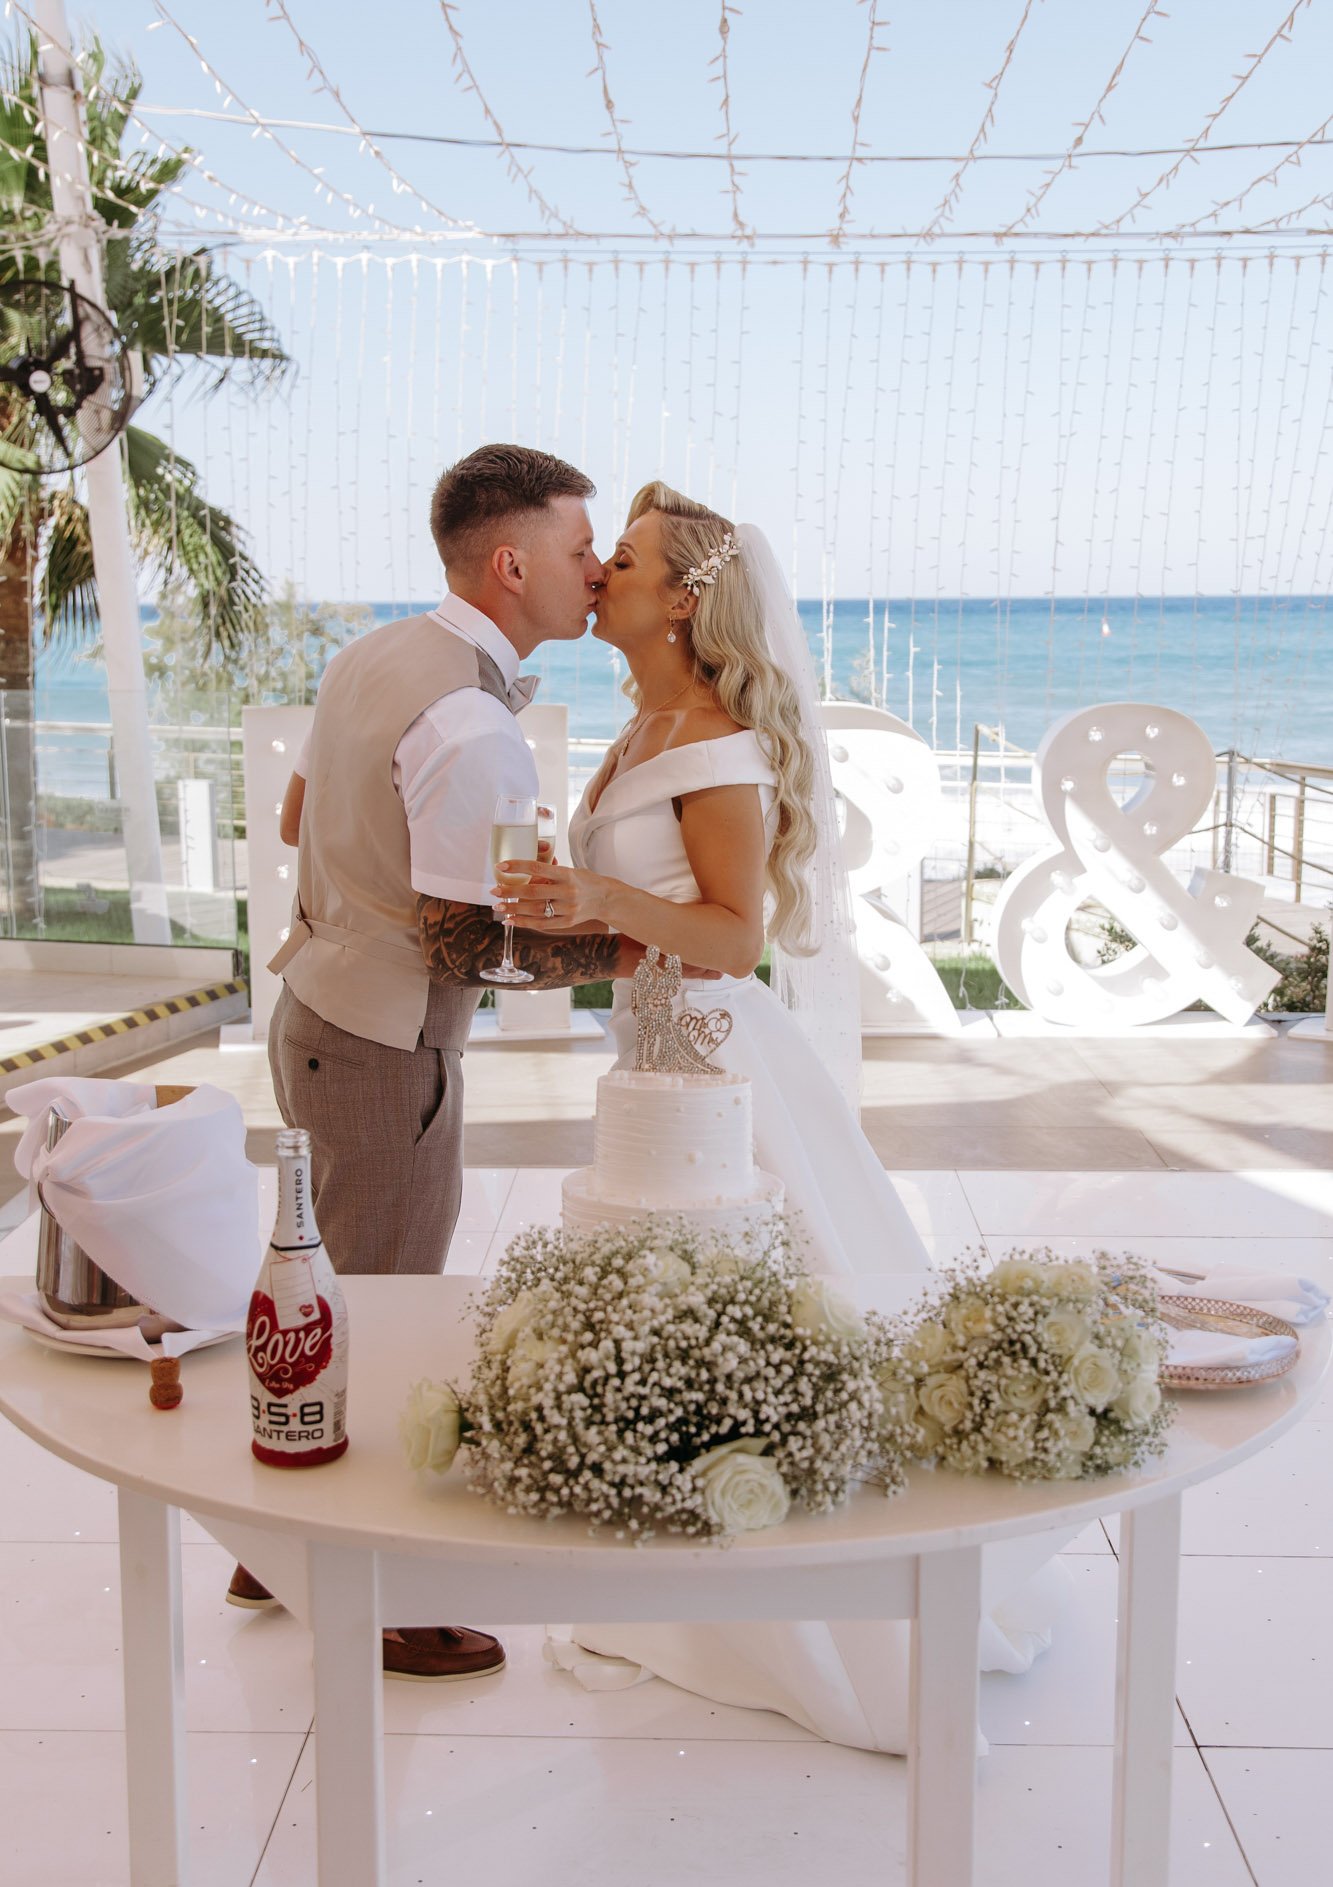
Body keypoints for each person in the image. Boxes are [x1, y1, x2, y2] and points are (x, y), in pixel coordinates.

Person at [498, 481, 1067, 1751]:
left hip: (713, 1062)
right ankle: (682, 1564)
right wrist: (567, 917)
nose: (598, 575)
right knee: (677, 1309)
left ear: (686, 600)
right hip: (647, 1057)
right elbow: (648, 921)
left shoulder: (714, 744)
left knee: (758, 1295)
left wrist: (598, 891)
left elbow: (733, 937)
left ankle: (799, 1605)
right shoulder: (642, 728)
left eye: (624, 559)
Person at [234, 444, 641, 1683]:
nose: (598, 569)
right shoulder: (472, 723)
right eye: (581, 549)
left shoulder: (376, 652)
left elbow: (304, 815)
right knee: (387, 1302)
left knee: (331, 1279)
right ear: (513, 563)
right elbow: (468, 942)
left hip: (313, 1000)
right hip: (379, 1042)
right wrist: (637, 949)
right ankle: (374, 1594)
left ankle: (271, 1548)